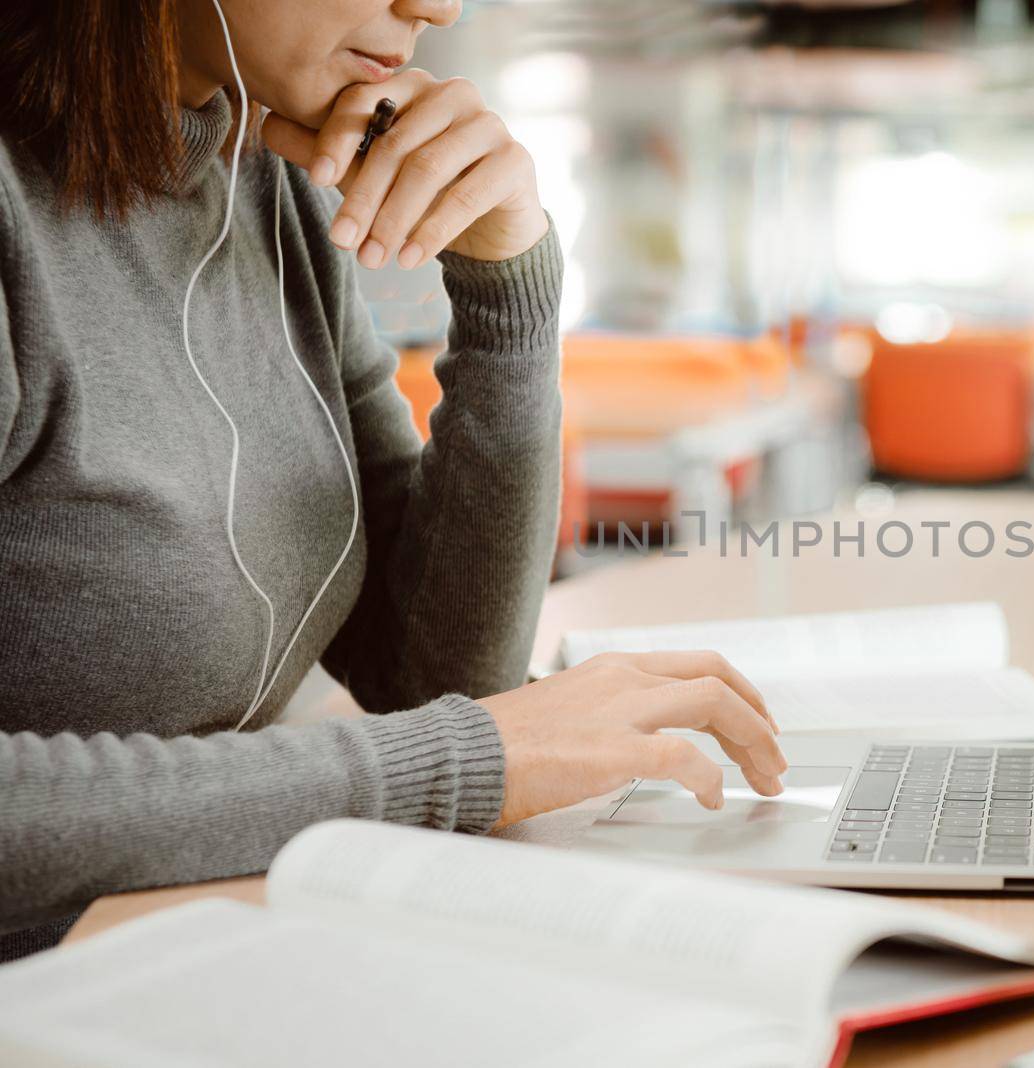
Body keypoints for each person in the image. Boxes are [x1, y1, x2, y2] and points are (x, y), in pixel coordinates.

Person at [0, 0, 785, 960]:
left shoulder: (268, 188)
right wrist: (447, 768)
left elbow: (439, 679)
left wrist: (510, 289)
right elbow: (451, 740)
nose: (436, 7)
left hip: (220, 949)